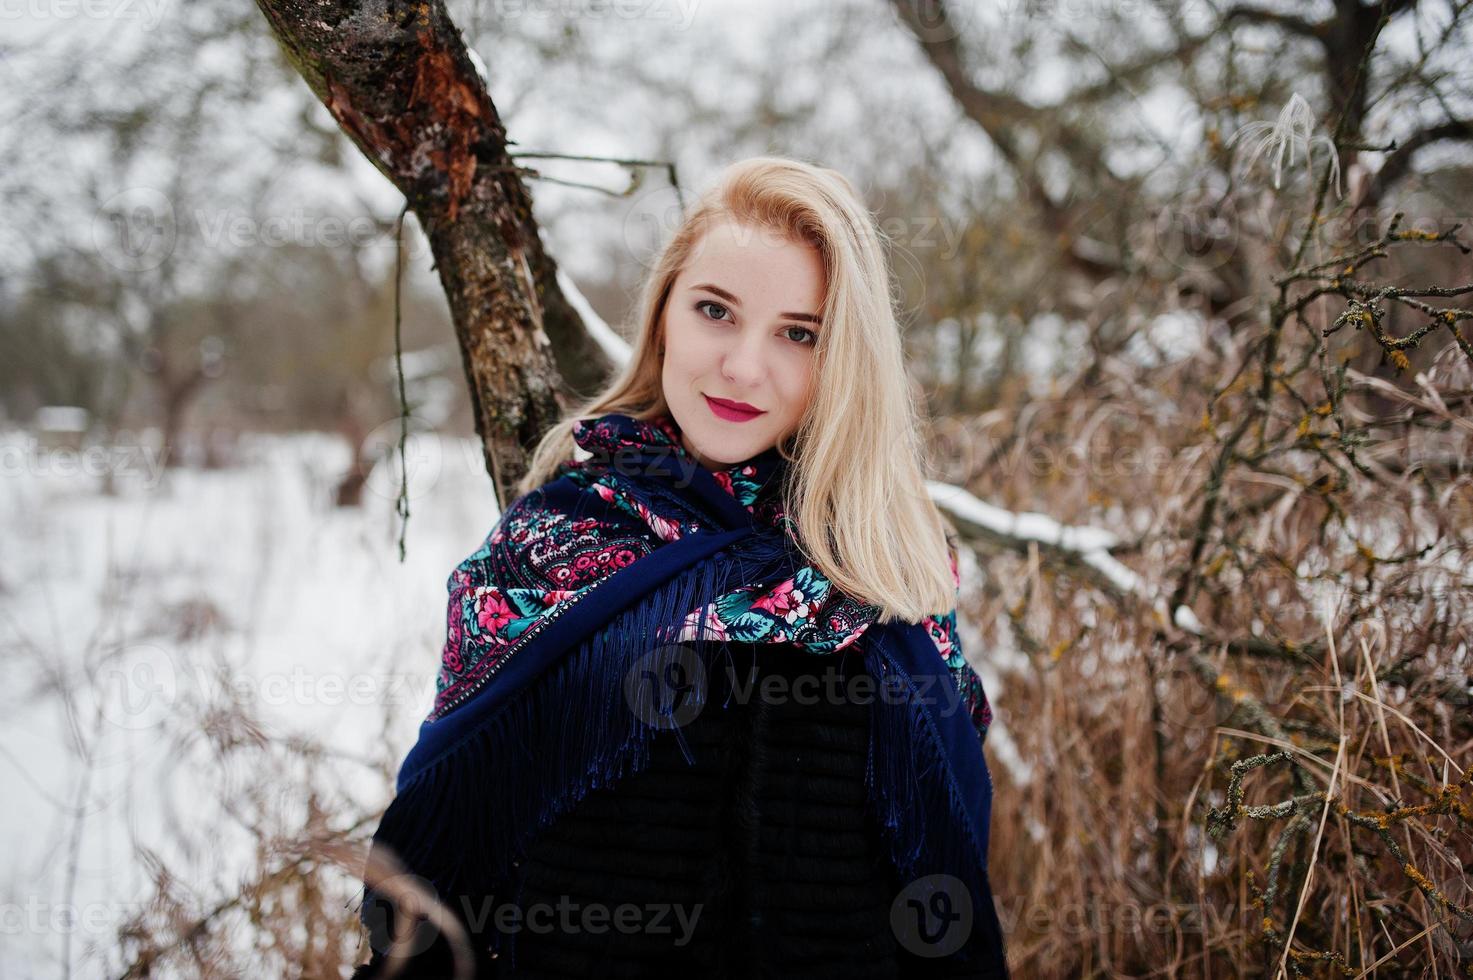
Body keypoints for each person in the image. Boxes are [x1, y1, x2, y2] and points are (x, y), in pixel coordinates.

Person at [352, 156, 1009, 978]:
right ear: (664, 313)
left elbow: (946, 878)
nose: (742, 367)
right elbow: (435, 879)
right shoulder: (553, 546)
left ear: (842, 356)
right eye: (715, 312)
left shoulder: (890, 565)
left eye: (797, 333)